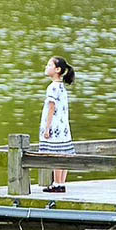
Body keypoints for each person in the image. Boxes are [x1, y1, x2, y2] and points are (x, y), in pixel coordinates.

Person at [39, 55, 75, 193]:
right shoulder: (61, 87)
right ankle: (61, 183)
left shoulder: (52, 87)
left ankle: (56, 183)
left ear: (58, 69)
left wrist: (47, 128)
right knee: (63, 153)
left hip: (55, 126)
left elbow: (51, 108)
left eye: (49, 65)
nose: (46, 67)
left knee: (55, 153)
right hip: (63, 126)